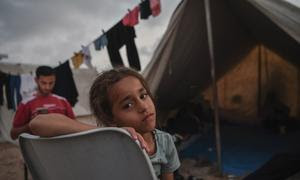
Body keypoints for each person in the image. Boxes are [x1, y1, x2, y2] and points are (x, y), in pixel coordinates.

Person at [29, 67, 180, 180]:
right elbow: (38, 123)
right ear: (110, 117)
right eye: (128, 105)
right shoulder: (108, 144)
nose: (143, 106)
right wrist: (104, 133)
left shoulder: (164, 141)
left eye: (143, 95)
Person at [10, 66, 75, 140]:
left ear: (55, 80)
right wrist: (32, 124)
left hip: (61, 146)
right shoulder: (26, 103)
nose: (47, 87)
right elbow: (13, 134)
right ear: (36, 80)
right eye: (44, 83)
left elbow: (74, 125)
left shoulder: (63, 101)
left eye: (51, 83)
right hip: (37, 148)